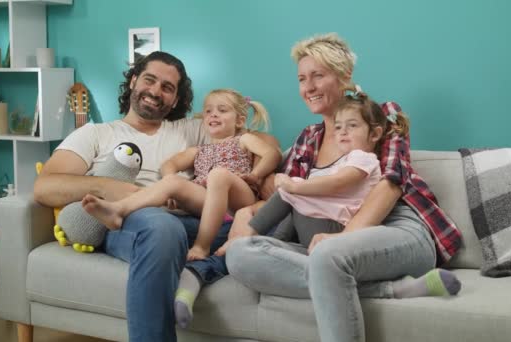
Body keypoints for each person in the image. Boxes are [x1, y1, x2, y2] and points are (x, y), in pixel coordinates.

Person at [223, 33, 463, 342]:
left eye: (317, 76)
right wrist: (250, 219)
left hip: (396, 231)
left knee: (327, 257)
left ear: (344, 76)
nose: (307, 87)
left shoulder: (380, 116)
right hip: (328, 247)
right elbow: (293, 199)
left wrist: (340, 242)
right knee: (241, 254)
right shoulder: (307, 139)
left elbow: (391, 185)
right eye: (301, 79)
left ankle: (336, 266)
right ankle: (389, 290)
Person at [33, 51, 279, 341]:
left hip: (203, 216)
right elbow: (44, 187)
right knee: (163, 228)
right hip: (139, 221)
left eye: (167, 87)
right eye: (149, 80)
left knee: (266, 226)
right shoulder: (97, 133)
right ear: (134, 81)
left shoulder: (192, 129)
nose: (155, 91)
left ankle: (197, 269)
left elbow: (263, 143)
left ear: (175, 100)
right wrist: (108, 188)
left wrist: (263, 180)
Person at [82, 88, 280, 261]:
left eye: (222, 110)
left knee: (219, 175)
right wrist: (172, 187)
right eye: (208, 111)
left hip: (239, 199)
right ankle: (118, 210)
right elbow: (169, 164)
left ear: (240, 120)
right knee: (174, 181)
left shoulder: (243, 140)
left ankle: (202, 245)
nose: (213, 115)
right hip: (208, 200)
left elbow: (272, 154)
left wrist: (256, 174)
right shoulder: (198, 150)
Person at [249, 94, 385, 247]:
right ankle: (276, 242)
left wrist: (295, 186)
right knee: (294, 196)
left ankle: (250, 233)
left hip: (333, 227)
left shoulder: (364, 158)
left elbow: (338, 182)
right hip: (325, 223)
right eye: (338, 126)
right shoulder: (349, 159)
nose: (343, 131)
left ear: (375, 134)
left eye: (352, 125)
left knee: (290, 192)